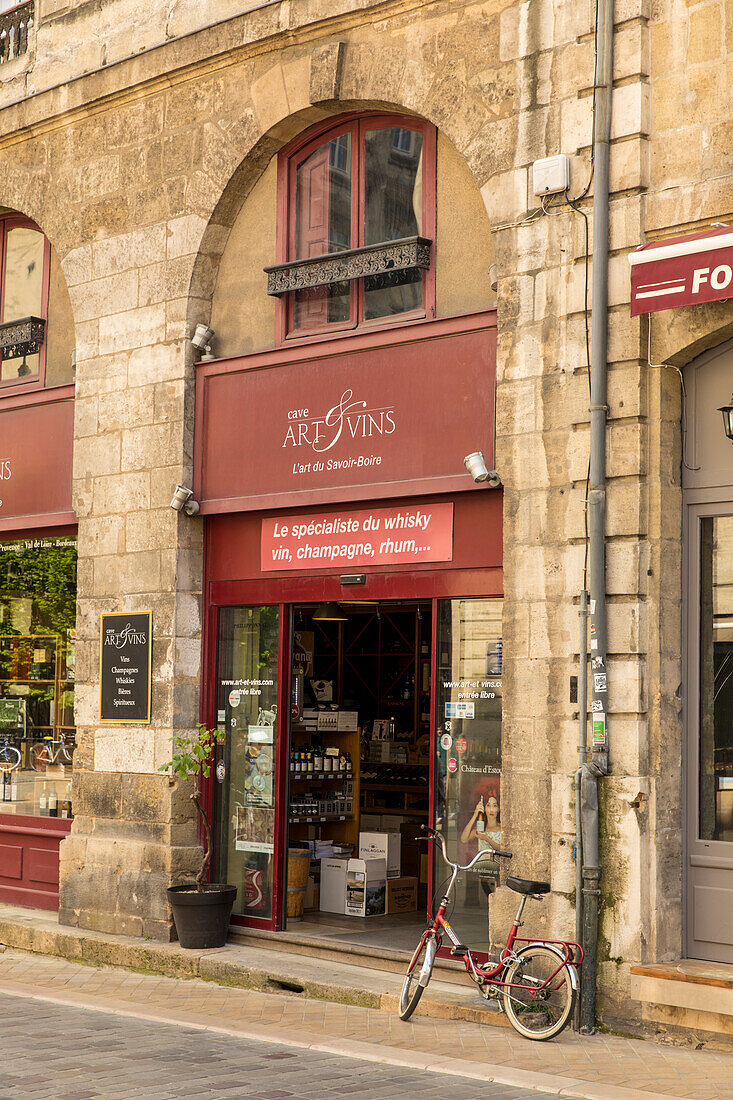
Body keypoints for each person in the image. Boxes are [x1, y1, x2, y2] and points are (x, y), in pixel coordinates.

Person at [460, 792, 502, 895]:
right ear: (484, 808)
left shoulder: (502, 828)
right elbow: (464, 839)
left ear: (499, 809)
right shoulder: (481, 827)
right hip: (481, 867)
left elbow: (501, 848)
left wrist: (486, 838)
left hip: (495, 866)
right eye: (488, 805)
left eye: (494, 805)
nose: (491, 809)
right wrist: (475, 814)